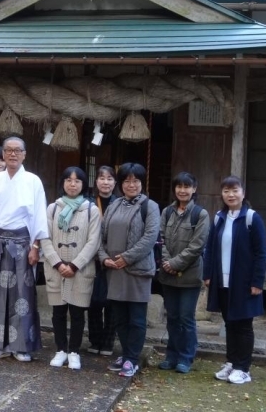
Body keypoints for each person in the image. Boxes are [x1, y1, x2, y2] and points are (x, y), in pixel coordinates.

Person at [0, 136, 48, 362]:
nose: (13, 154)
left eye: (17, 150)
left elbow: (40, 216)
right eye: (8, 150)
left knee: (22, 296)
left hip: (23, 245)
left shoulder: (33, 181)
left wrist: (36, 246)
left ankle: (21, 346)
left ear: (24, 154)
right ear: (3, 154)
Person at [204, 176, 266, 385]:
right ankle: (232, 362)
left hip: (244, 282)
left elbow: (260, 253)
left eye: (235, 190)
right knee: (230, 323)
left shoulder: (251, 218)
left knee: (243, 325)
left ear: (243, 193)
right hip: (222, 281)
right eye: (226, 191)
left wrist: (257, 282)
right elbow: (211, 248)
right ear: (221, 194)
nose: (230, 195)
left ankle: (243, 368)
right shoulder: (219, 217)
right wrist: (208, 275)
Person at [98, 162, 159, 378]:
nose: (131, 185)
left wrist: (126, 258)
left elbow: (150, 237)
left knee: (136, 318)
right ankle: (125, 354)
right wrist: (105, 259)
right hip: (114, 270)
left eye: (135, 180)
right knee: (120, 317)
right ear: (120, 183)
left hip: (137, 271)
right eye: (126, 180)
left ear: (142, 183)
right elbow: (101, 237)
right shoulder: (114, 205)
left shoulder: (149, 206)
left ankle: (133, 359)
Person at [42, 166, 101, 371]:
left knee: (77, 313)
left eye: (77, 180)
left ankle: (74, 351)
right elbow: (45, 238)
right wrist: (58, 263)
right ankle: (61, 349)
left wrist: (75, 265)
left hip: (81, 269)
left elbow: (94, 241)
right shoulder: (52, 208)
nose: (72, 184)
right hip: (55, 268)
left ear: (84, 184)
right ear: (63, 183)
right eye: (68, 180)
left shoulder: (91, 210)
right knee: (58, 312)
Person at [157, 172, 210, 374]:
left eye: (187, 187)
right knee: (172, 317)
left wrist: (176, 263)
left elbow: (197, 246)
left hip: (189, 275)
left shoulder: (200, 214)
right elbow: (159, 239)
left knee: (186, 318)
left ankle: (186, 358)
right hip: (168, 274)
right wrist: (166, 262)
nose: (182, 190)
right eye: (179, 186)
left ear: (194, 189)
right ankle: (171, 355)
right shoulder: (167, 212)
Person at [87, 165, 118, 356]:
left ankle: (107, 342)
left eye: (109, 178)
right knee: (93, 301)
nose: (105, 182)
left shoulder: (120, 203)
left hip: (113, 258)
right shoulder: (88, 202)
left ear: (115, 182)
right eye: (101, 178)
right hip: (91, 258)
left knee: (112, 302)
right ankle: (94, 339)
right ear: (96, 181)